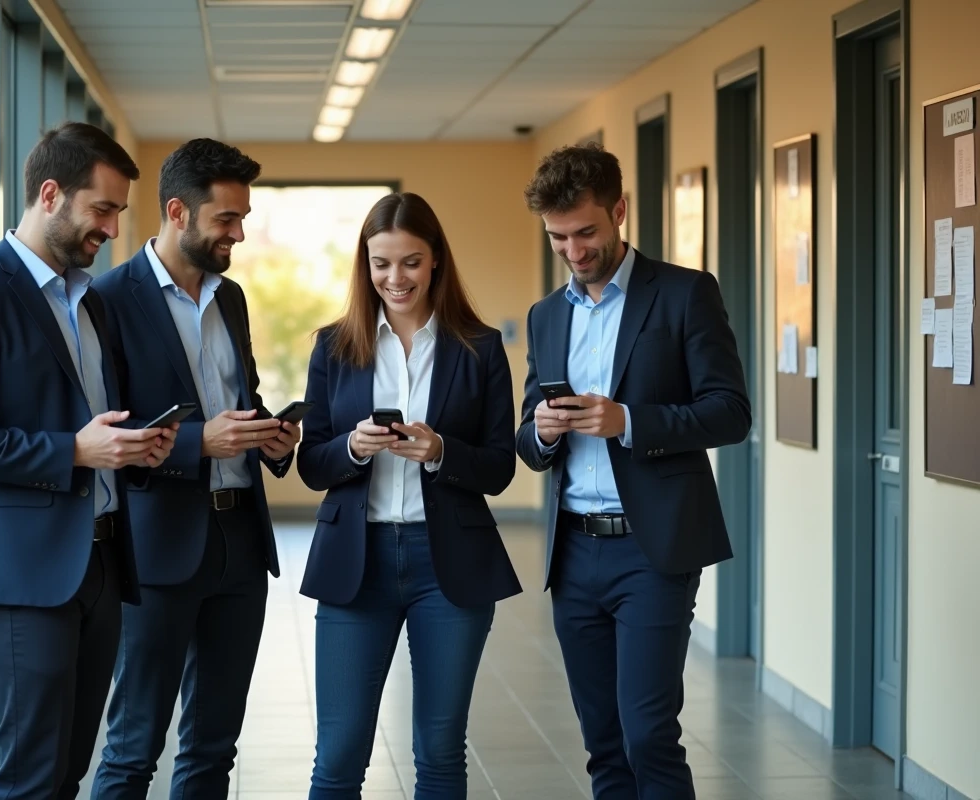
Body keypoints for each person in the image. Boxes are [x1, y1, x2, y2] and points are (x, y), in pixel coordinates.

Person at [0, 122, 176, 800]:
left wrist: (133, 448)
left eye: (120, 212)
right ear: (51, 194)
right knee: (32, 776)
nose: (114, 229)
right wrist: (74, 451)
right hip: (23, 574)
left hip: (99, 560)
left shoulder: (89, 301)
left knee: (67, 772)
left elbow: (95, 421)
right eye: (104, 209)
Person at [514, 142, 751, 800]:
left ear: (620, 210)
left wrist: (631, 422)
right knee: (604, 742)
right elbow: (528, 437)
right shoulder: (546, 315)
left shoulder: (684, 294)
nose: (574, 250)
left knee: (648, 731)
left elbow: (730, 413)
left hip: (654, 550)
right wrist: (538, 431)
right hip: (574, 551)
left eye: (586, 231)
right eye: (559, 237)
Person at [89, 138, 300, 800]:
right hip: (157, 551)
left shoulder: (230, 299)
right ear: (178, 212)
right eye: (227, 221)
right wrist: (195, 444)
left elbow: (239, 401)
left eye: (242, 218)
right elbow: (109, 433)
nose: (239, 234)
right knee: (133, 745)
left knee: (213, 747)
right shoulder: (107, 300)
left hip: (240, 546)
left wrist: (271, 433)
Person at [297, 192, 522, 799]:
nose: (395, 279)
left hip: (446, 565)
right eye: (381, 264)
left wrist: (442, 452)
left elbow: (501, 466)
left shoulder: (479, 347)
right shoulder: (334, 348)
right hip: (355, 564)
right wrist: (353, 447)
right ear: (365, 266)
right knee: (339, 754)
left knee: (441, 750)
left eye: (411, 263)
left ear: (437, 262)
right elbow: (310, 464)